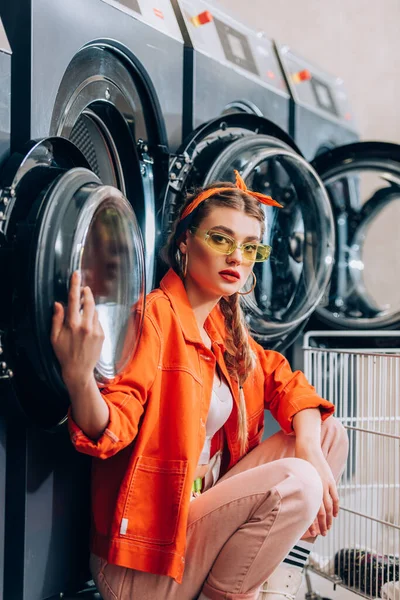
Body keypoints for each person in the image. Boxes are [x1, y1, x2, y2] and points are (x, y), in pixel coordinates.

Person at [51, 171, 349, 600]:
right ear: (186, 242)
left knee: (324, 434)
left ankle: (278, 589)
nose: (237, 258)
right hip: (145, 564)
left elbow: (287, 382)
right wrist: (79, 377)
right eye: (221, 239)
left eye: (249, 247)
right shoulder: (155, 317)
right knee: (299, 478)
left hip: (198, 530)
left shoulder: (225, 332)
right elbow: (113, 429)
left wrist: (308, 445)